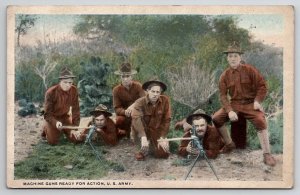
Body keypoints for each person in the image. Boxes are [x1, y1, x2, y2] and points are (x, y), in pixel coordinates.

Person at [212, 42, 276, 166]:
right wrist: (229, 110)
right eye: (230, 56)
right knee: (216, 118)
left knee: (260, 120)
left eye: (235, 56)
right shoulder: (224, 75)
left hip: (250, 104)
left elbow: (262, 86)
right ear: (227, 58)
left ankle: (267, 154)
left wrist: (257, 101)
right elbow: (223, 95)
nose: (233, 59)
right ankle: (229, 144)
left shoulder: (250, 70)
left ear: (240, 57)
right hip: (234, 104)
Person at [131, 80, 171, 161]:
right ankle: (143, 145)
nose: (155, 94)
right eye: (153, 91)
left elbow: (167, 120)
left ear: (160, 93)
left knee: (163, 154)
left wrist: (163, 137)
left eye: (158, 92)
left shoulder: (165, 100)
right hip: (141, 130)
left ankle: (153, 146)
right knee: (140, 155)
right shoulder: (140, 102)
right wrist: (143, 136)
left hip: (156, 131)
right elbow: (136, 119)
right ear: (147, 91)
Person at [41, 67, 80, 145]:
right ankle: (45, 128)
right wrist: (55, 123)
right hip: (53, 118)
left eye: (70, 82)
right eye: (65, 82)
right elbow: (47, 114)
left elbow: (76, 110)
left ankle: (63, 130)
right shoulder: (51, 92)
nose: (68, 85)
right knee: (53, 142)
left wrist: (75, 128)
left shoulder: (74, 90)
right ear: (60, 81)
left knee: (76, 139)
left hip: (65, 117)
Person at [113, 63, 146, 139]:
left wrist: (133, 106)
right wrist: (125, 112)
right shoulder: (116, 90)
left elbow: (144, 99)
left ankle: (139, 133)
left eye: (127, 76)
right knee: (119, 120)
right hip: (126, 115)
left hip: (138, 113)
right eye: (123, 76)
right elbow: (117, 108)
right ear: (120, 77)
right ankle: (126, 132)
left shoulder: (138, 86)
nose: (125, 79)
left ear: (132, 76)